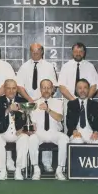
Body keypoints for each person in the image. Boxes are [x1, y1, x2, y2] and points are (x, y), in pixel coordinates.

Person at [17, 43, 58, 172]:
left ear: (42, 52)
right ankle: (27, 164)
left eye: (38, 51)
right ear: (30, 52)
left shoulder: (49, 66)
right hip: (28, 103)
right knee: (30, 132)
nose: (35, 53)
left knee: (47, 127)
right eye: (33, 51)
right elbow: (19, 86)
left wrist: (43, 98)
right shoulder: (24, 67)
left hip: (44, 101)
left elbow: (53, 85)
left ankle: (47, 163)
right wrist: (29, 100)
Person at [28, 79, 68, 181]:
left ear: (52, 89)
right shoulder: (34, 104)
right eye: (43, 87)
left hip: (54, 132)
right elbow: (32, 123)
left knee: (64, 139)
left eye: (48, 88)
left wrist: (48, 109)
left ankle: (59, 170)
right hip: (39, 133)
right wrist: (31, 128)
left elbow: (60, 118)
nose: (46, 90)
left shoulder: (58, 103)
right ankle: (36, 169)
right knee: (32, 139)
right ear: (40, 89)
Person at [0, 79, 29, 180]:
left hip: (17, 132)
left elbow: (28, 119)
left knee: (24, 138)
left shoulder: (23, 101)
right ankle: (2, 170)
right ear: (4, 89)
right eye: (8, 88)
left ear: (17, 89)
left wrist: (23, 129)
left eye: (14, 88)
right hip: (2, 131)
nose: (11, 91)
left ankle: (19, 170)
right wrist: (8, 110)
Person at [66, 79, 98, 143]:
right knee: (77, 141)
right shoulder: (71, 104)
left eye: (85, 88)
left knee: (97, 142)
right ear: (76, 90)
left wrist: (96, 132)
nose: (82, 90)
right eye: (80, 88)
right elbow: (69, 121)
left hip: (91, 132)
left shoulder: (94, 104)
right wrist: (74, 131)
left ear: (88, 89)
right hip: (76, 132)